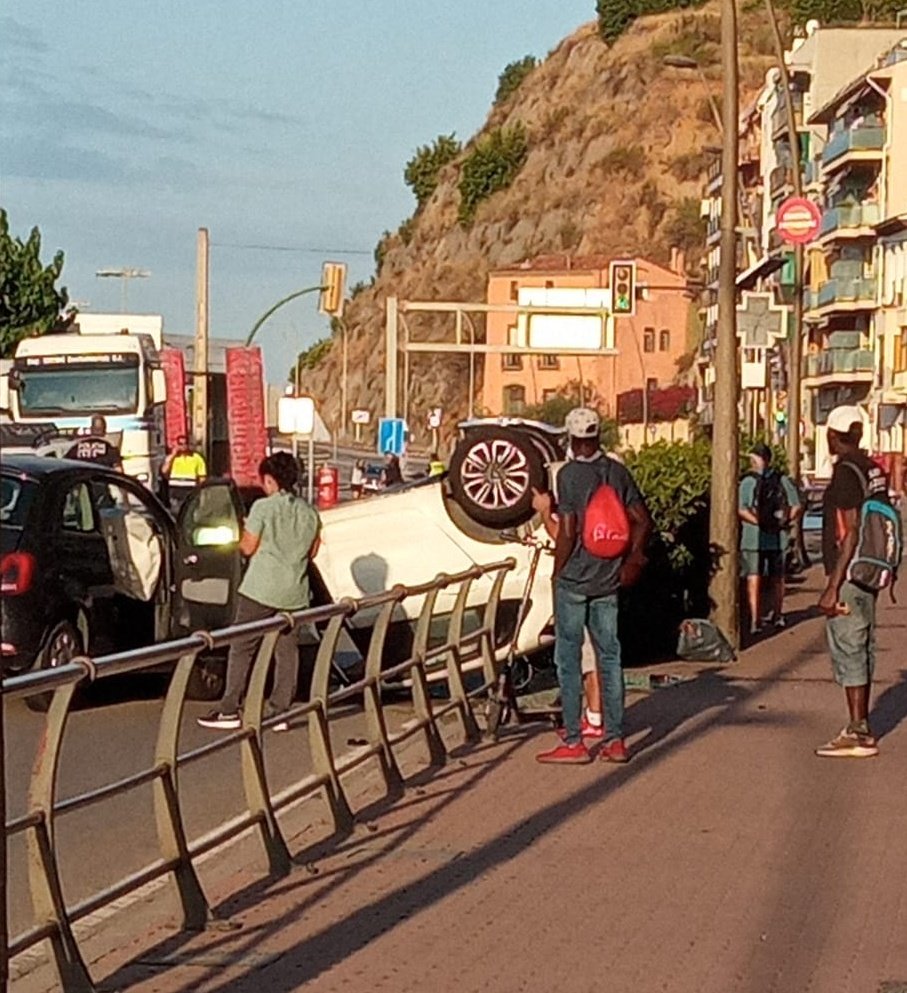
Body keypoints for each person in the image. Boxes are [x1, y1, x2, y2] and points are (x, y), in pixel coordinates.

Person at [535, 408, 652, 765]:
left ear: (571, 439)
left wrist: (558, 571)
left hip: (575, 580)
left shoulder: (568, 475)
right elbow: (643, 521)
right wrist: (633, 560)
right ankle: (615, 742)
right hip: (608, 579)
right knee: (611, 657)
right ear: (598, 436)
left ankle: (574, 742)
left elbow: (568, 530)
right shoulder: (617, 472)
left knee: (568, 659)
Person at [198, 452, 321, 731]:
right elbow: (312, 551)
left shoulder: (263, 508)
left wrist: (243, 536)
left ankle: (229, 708)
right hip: (294, 592)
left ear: (270, 480)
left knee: (242, 646)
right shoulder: (309, 513)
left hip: (261, 588)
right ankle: (280, 712)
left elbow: (248, 547)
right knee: (287, 652)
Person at [815, 405, 889, 759]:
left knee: (849, 646)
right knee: (863, 645)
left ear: (832, 435)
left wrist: (832, 583)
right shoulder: (874, 469)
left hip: (850, 572)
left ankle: (858, 731)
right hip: (870, 571)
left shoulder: (845, 473)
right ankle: (860, 725)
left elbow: (851, 530)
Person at [738, 443, 801, 635]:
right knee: (778, 577)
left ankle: (755, 618)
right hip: (778, 537)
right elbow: (797, 506)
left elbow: (741, 509)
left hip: (752, 538)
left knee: (753, 576)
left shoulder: (748, 482)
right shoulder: (783, 480)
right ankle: (778, 614)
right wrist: (782, 523)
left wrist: (758, 523)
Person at [162, 435, 207, 508]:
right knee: (175, 511)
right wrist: (173, 455)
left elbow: (202, 478)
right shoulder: (172, 458)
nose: (183, 446)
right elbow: (164, 471)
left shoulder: (197, 458)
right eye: (180, 444)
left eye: (185, 443)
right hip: (175, 489)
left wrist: (200, 491)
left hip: (190, 489)